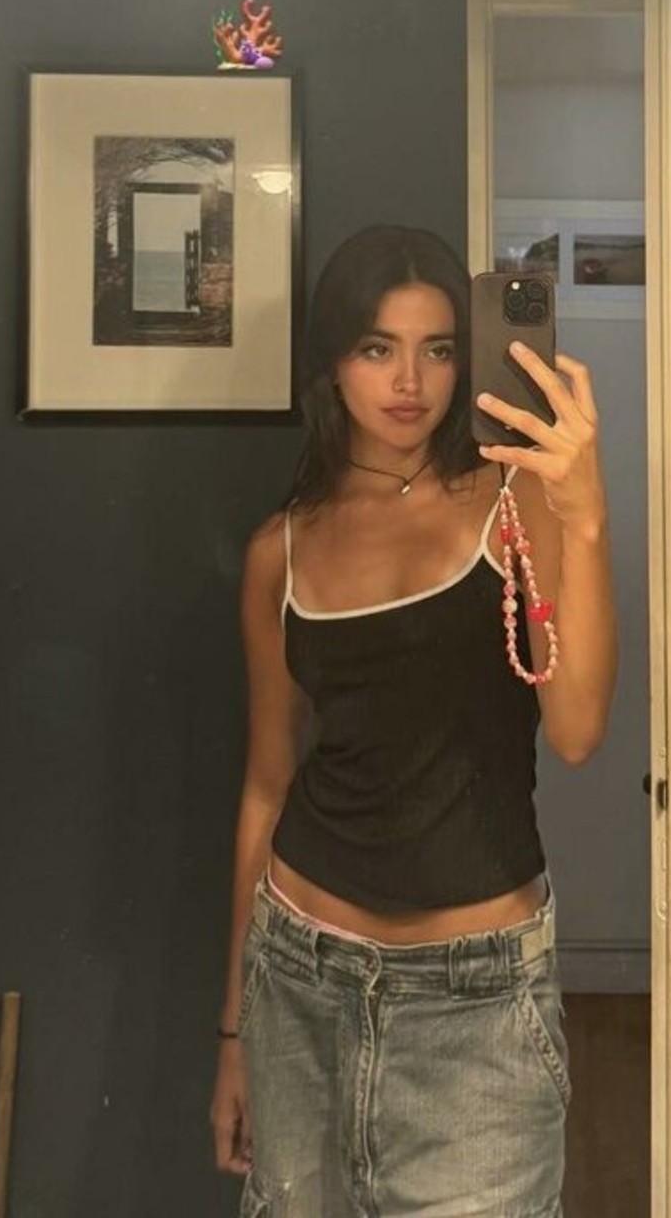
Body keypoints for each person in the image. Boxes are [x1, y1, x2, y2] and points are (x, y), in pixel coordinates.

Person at [210, 224, 617, 1217]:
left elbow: (575, 729)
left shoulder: (514, 502)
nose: (409, 381)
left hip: (477, 1005)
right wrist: (233, 1032)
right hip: (298, 979)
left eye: (437, 348)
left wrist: (585, 515)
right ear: (332, 362)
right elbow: (267, 782)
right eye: (376, 347)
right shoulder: (281, 550)